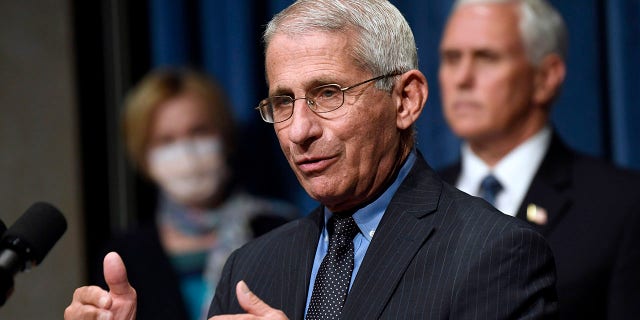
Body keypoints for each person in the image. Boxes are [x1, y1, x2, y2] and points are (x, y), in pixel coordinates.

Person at [64, 1, 558, 319]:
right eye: (283, 103)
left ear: (405, 100)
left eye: (328, 94)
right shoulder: (250, 267)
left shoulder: (495, 254)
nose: (300, 131)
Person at [436, 0, 640, 319]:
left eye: (486, 58)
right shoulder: (412, 201)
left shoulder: (623, 207)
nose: (461, 78)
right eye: (451, 58)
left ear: (545, 77)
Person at [93, 68, 299, 320]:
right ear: (143, 157)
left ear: (225, 137)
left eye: (199, 132)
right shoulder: (123, 256)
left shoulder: (282, 230)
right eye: (166, 140)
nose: (187, 151)